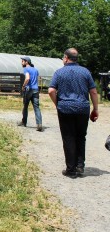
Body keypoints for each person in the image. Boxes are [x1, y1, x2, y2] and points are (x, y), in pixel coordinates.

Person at [48, 48, 99, 178]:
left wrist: (57, 104)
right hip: (82, 108)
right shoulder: (85, 72)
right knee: (81, 137)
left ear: (66, 57)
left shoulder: (59, 73)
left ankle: (71, 169)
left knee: (68, 137)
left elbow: (51, 91)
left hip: (65, 108)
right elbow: (93, 91)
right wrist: (95, 109)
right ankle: (80, 166)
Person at [18, 56, 43, 131]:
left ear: (26, 62)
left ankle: (24, 122)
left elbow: (27, 78)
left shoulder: (26, 69)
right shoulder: (35, 70)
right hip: (35, 90)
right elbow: (39, 78)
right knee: (36, 107)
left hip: (28, 90)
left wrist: (23, 86)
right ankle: (39, 124)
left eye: (22, 61)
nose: (21, 63)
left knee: (25, 106)